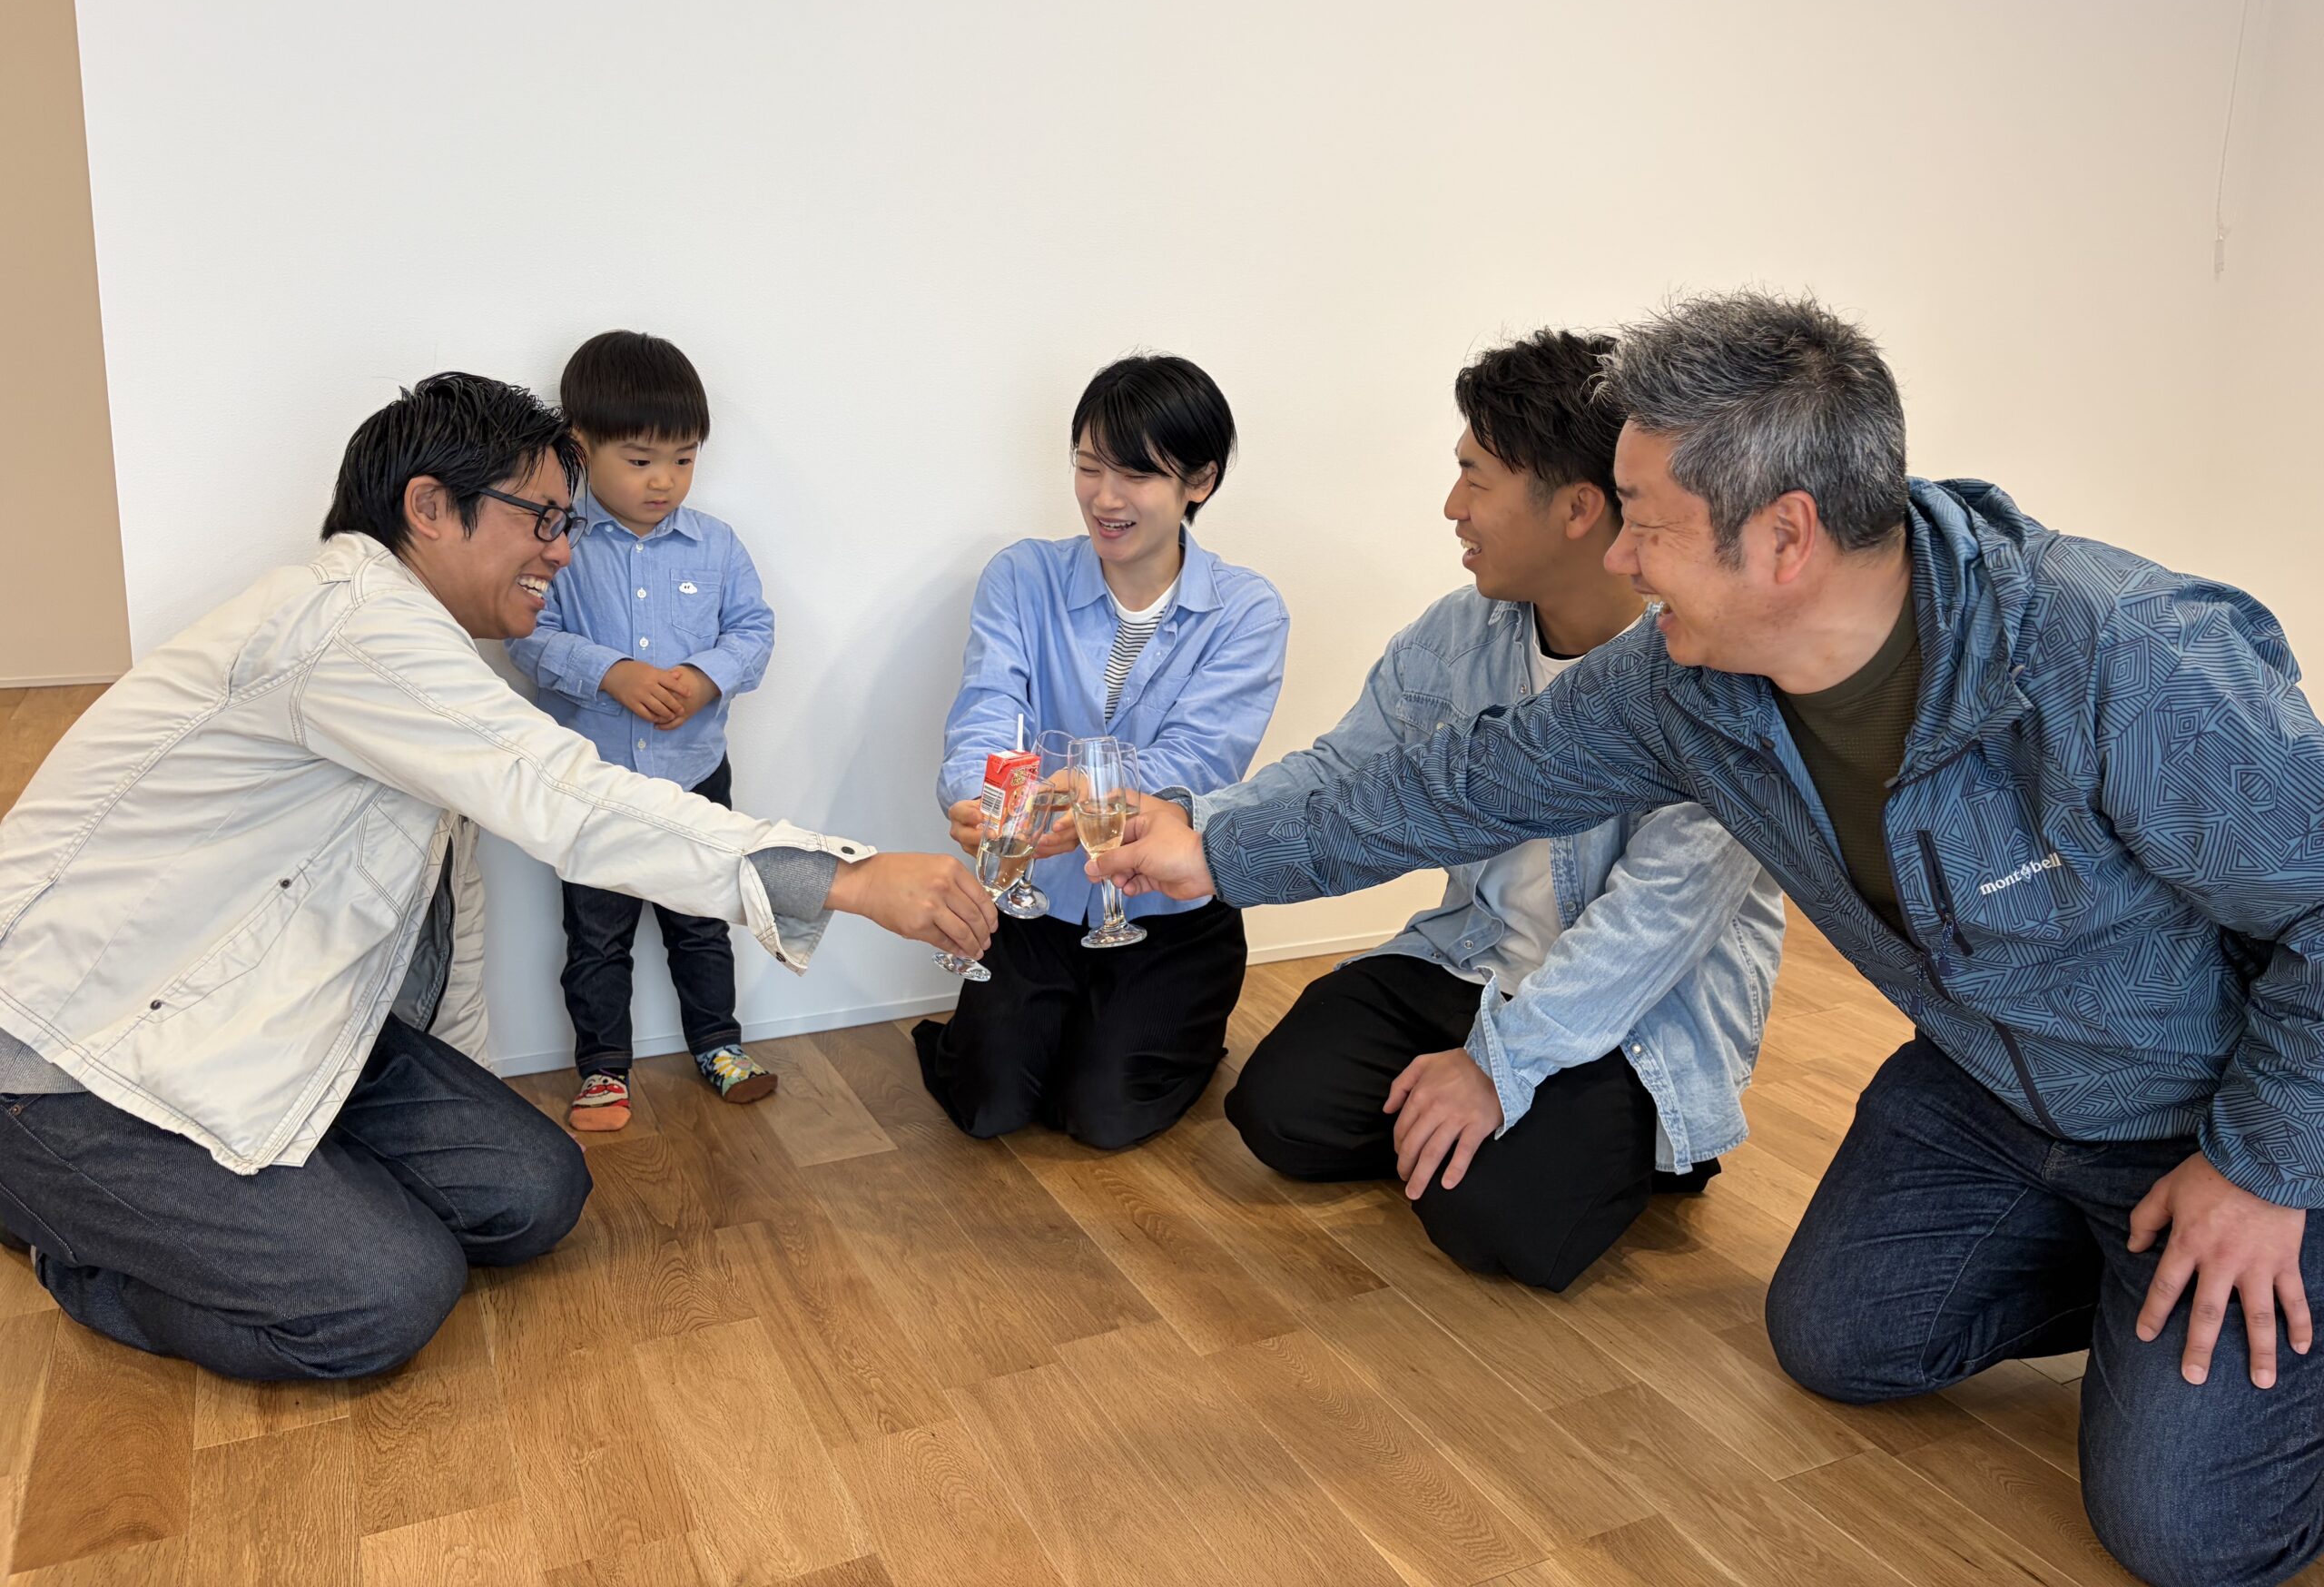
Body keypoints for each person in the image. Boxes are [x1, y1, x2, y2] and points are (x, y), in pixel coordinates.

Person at [1097, 291, 2324, 1587]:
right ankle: (2133, 1290)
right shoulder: (1687, 683)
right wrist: (1213, 849)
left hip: (2219, 1111)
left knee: (2191, 1540)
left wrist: (2259, 1168)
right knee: (1838, 1343)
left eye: (1646, 522)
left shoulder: (2125, 654)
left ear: (1785, 535)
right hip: (1986, 1088)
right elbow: (1462, 783)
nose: (1622, 558)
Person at [0, 372, 993, 1381]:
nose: (562, 549)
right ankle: (72, 1240)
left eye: (567, 522)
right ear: (430, 507)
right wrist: (845, 877)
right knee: (380, 1298)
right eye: (542, 518)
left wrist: (459, 1108)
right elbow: (573, 801)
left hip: (275, 1026)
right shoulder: (351, 627)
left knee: (531, 1191)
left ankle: (259, 1202)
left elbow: (445, 919)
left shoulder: (424, 657)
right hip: (72, 1052)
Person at [1183, 329, 1780, 1290]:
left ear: (1578, 507)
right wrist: (1185, 823)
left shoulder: (1711, 676)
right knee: (1281, 1113)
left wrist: (1501, 1067)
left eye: (1475, 478)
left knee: (1500, 1226)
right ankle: (1472, 1130)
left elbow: (1656, 925)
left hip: (1636, 1007)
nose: (1452, 507)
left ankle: (1624, 1140)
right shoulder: (1458, 634)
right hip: (1473, 959)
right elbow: (1342, 769)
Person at [916, 353, 1287, 1148]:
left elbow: (1197, 764)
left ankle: (1164, 1033)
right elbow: (988, 710)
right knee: (987, 1103)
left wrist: (1063, 794)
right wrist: (980, 798)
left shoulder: (1247, 611)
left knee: (1104, 1115)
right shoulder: (1023, 577)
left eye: (1137, 474)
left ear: (1200, 481)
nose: (1105, 498)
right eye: (1089, 467)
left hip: (1168, 910)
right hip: (1043, 896)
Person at [507, 330, 778, 1131]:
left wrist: (706, 677)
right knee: (596, 937)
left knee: (704, 921)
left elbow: (754, 630)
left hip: (694, 770)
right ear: (580, 448)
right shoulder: (556, 543)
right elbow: (524, 633)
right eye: (640, 459)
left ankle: (720, 1045)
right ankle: (603, 1069)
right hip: (592, 782)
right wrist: (611, 672)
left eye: (683, 459)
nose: (665, 480)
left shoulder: (716, 545)